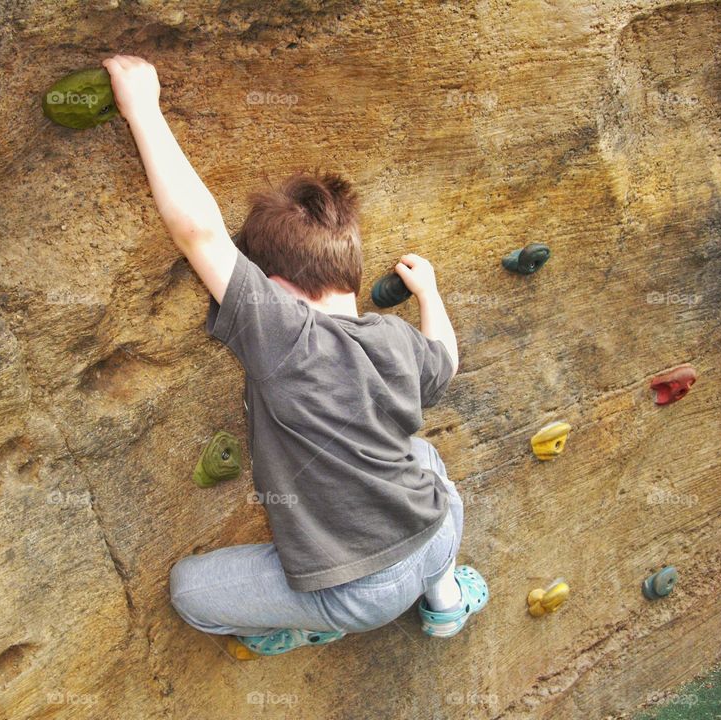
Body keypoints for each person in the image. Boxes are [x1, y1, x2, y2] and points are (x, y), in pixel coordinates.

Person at [102, 54, 488, 658]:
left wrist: (142, 109)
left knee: (189, 592)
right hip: (439, 530)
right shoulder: (395, 340)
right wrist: (430, 291)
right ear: (351, 270)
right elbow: (446, 359)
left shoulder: (287, 340)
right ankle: (443, 602)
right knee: (424, 454)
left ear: (274, 289)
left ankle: (307, 625)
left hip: (358, 594)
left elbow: (198, 233)